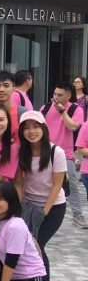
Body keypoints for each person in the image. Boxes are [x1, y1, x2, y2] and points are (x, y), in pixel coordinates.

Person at [14, 111, 66, 281]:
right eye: (26, 128)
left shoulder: (55, 152)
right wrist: (19, 209)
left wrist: (44, 212)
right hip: (28, 205)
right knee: (26, 247)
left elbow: (57, 185)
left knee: (37, 245)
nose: (31, 131)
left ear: (43, 127)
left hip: (53, 207)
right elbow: (19, 183)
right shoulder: (21, 152)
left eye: (35, 126)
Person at [40, 81, 85, 228]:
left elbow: (73, 126)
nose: (56, 97)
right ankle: (42, 211)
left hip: (65, 154)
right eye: (54, 94)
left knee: (71, 185)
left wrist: (62, 112)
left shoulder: (75, 109)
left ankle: (77, 216)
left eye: (60, 95)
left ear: (69, 96)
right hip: (45, 152)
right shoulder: (45, 108)